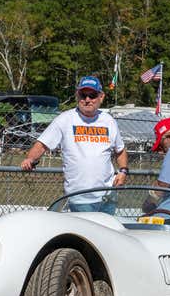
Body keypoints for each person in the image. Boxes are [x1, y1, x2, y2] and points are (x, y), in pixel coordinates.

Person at [20, 76, 128, 213]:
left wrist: (123, 171)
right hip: (79, 197)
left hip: (107, 195)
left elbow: (120, 149)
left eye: (92, 95)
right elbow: (43, 143)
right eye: (83, 95)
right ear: (77, 96)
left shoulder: (109, 121)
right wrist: (30, 158)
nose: (87, 100)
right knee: (86, 233)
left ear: (101, 97)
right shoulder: (65, 119)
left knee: (108, 232)